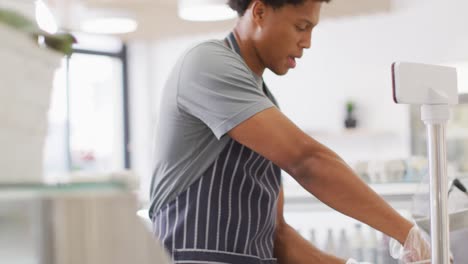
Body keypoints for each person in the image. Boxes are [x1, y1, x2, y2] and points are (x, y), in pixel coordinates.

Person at [148, 0, 431, 263]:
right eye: (301, 26)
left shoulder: (264, 101)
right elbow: (306, 160)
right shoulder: (206, 64)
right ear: (259, 12)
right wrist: (407, 233)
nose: (307, 42)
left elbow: (278, 236)